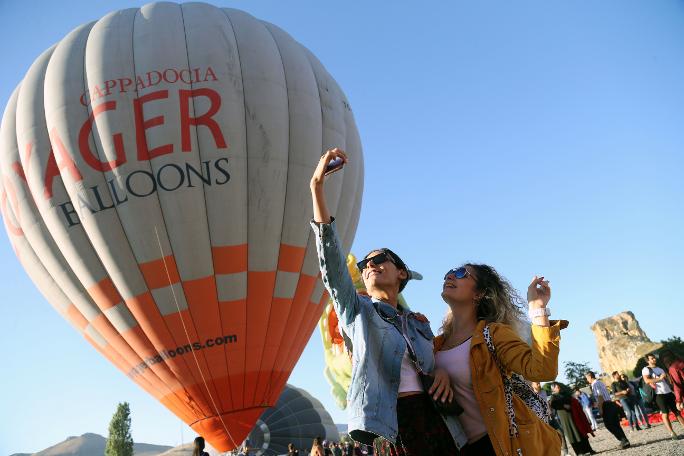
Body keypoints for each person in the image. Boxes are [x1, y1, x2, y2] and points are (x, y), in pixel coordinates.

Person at [310, 148, 466, 455]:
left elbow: (438, 363)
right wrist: (316, 188)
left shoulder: (417, 323)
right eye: (364, 264)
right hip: (389, 423)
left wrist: (441, 373)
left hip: (435, 418)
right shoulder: (357, 312)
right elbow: (332, 266)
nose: (369, 265)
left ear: (401, 273)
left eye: (379, 259)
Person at [433, 263, 564, 456]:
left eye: (461, 273)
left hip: (501, 443)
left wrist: (538, 310)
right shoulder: (435, 346)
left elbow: (542, 370)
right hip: (459, 448)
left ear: (479, 293)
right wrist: (438, 371)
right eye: (448, 273)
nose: (450, 276)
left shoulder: (494, 334)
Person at [642, 353, 684, 440]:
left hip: (668, 391)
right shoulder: (646, 369)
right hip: (658, 394)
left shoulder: (660, 368)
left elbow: (667, 380)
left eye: (654, 358)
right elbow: (646, 380)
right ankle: (672, 433)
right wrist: (659, 379)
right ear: (648, 360)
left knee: (677, 412)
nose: (654, 359)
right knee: (665, 413)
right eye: (652, 358)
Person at [585, 371, 630, 449]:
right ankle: (625, 441)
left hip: (606, 405)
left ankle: (623, 440)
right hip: (610, 403)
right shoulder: (600, 382)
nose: (587, 380)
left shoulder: (595, 384)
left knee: (609, 425)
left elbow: (600, 397)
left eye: (587, 378)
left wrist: (600, 409)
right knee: (615, 424)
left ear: (589, 377)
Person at [549, 383, 596, 455]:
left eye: (558, 386)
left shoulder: (565, 394)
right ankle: (579, 452)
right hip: (566, 419)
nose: (558, 387)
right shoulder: (553, 397)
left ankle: (589, 449)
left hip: (574, 416)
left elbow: (572, 400)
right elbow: (553, 404)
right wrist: (563, 405)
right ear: (553, 389)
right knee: (572, 435)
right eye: (556, 387)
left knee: (581, 433)